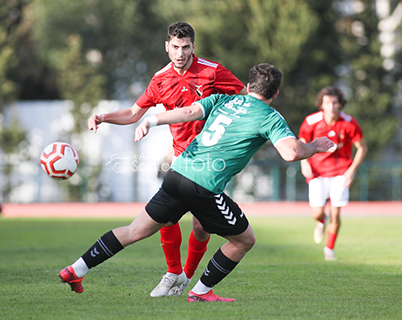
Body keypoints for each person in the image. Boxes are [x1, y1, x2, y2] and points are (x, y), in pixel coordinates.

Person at [59, 63, 335, 302]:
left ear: (249, 85)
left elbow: (188, 113)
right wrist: (316, 145)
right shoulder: (270, 116)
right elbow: (291, 153)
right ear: (275, 93)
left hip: (177, 174)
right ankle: (200, 291)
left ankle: (76, 269)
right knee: (243, 240)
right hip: (203, 186)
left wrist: (151, 120)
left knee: (134, 230)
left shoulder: (222, 100)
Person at [87, 22, 246, 297]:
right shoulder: (160, 78)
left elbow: (244, 97)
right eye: (175, 47)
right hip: (180, 159)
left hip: (209, 160)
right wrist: (104, 117)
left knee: (201, 224)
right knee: (166, 219)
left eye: (185, 47)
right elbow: (134, 113)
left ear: (193, 47)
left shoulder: (213, 71)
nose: (180, 53)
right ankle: (173, 273)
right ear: (166, 46)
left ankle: (186, 276)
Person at [299, 86, 367, 261]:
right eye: (327, 102)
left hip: (340, 173)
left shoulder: (349, 123)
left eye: (335, 102)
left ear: (340, 104)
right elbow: (301, 142)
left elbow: (362, 148)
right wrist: (304, 162)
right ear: (321, 104)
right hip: (317, 173)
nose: (331, 106)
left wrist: (351, 171)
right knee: (316, 213)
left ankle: (329, 250)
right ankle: (322, 221)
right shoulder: (311, 121)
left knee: (336, 213)